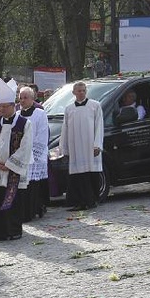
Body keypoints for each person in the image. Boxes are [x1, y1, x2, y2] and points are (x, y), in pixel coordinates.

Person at [0, 79, 33, 241]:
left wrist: (9, 165)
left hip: (13, 170)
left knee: (13, 201)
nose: (0, 109)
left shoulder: (25, 123)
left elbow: (25, 147)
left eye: (4, 107)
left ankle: (12, 230)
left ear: (12, 106)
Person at [59, 81, 104, 210]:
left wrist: (97, 145)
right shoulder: (69, 109)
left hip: (90, 146)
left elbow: (99, 126)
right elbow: (65, 129)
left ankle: (92, 200)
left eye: (84, 90)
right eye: (79, 91)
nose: (82, 93)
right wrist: (64, 148)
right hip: (76, 147)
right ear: (73, 93)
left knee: (91, 173)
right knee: (77, 175)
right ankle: (78, 201)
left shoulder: (95, 106)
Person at [17, 87, 50, 221]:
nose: (22, 100)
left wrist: (32, 153)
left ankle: (34, 209)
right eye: (21, 98)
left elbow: (42, 134)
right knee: (22, 185)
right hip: (21, 155)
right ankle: (23, 211)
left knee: (33, 185)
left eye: (25, 98)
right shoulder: (17, 114)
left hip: (35, 155)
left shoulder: (39, 114)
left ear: (32, 99)